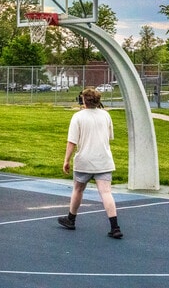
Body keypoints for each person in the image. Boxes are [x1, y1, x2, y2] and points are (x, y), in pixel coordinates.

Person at [57, 88, 123, 239]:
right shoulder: (106, 115)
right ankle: (115, 226)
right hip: (104, 160)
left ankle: (71, 218)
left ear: (83, 101)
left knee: (78, 189)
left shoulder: (78, 117)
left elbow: (72, 141)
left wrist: (66, 160)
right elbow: (109, 136)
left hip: (84, 160)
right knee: (106, 192)